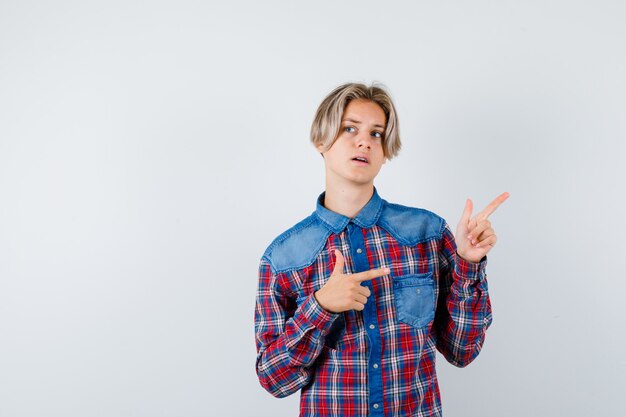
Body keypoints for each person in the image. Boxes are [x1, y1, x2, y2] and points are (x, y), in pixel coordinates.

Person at [254, 82, 508, 416]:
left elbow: (462, 350)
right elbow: (275, 380)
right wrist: (321, 307)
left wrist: (467, 263)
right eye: (349, 129)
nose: (364, 141)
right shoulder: (284, 257)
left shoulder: (427, 234)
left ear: (386, 151)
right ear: (321, 141)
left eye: (377, 134)